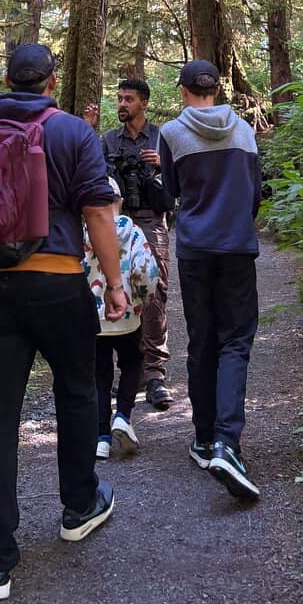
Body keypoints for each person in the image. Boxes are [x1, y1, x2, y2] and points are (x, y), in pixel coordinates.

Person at [0, 44, 129, 602]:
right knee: (77, 392)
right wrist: (114, 285)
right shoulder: (72, 133)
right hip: (59, 282)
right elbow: (96, 213)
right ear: (51, 82)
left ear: (6, 78)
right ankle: (79, 505)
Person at [158, 59, 263, 503]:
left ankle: (203, 440)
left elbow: (169, 194)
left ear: (184, 90)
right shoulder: (244, 132)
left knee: (202, 339)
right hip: (238, 246)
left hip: (196, 250)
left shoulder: (171, 134)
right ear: (217, 91)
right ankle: (227, 441)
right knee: (235, 341)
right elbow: (255, 192)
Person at [83, 78, 174, 410]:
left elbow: (180, 180)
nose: (122, 104)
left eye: (129, 99)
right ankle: (125, 370)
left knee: (153, 291)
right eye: (119, 98)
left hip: (151, 218)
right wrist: (89, 132)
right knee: (112, 287)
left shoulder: (162, 136)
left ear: (144, 103)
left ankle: (155, 374)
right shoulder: (109, 140)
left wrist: (163, 164)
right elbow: (91, 170)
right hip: (115, 221)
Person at [83, 176, 159, 461]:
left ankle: (101, 437)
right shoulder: (133, 231)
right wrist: (142, 300)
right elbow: (146, 272)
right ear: (120, 202)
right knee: (131, 366)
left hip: (94, 319)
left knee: (99, 377)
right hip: (128, 316)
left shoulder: (82, 233)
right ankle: (123, 417)